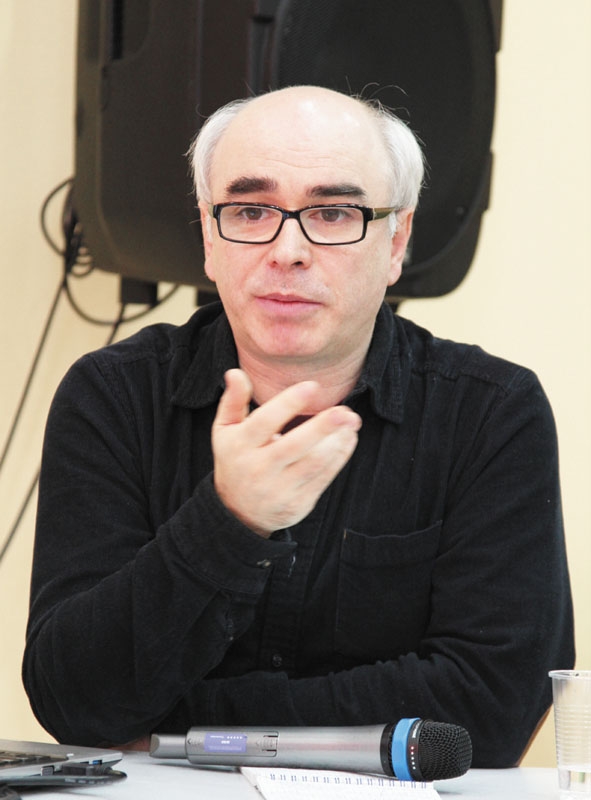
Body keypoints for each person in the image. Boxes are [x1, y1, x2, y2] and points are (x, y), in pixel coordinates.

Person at [23, 85, 574, 767]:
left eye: (334, 213)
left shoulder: (491, 412)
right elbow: (74, 701)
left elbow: (490, 709)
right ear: (209, 238)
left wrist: (185, 735)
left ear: (396, 241)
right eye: (250, 211)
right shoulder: (113, 397)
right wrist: (228, 521)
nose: (287, 250)